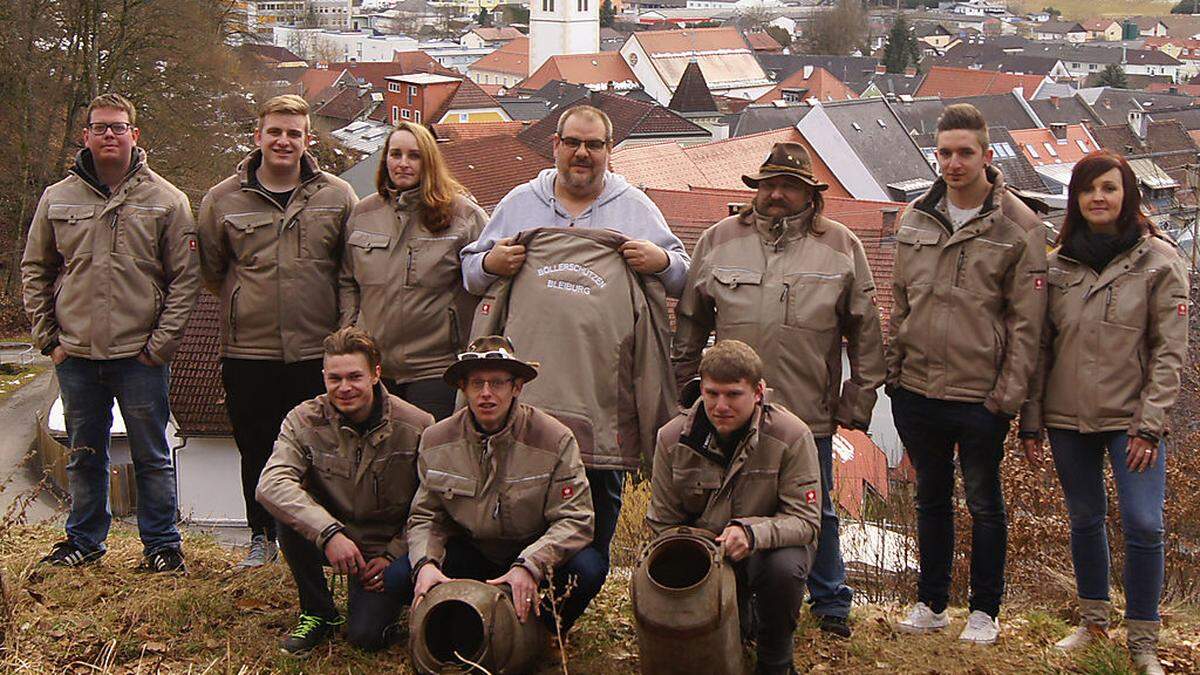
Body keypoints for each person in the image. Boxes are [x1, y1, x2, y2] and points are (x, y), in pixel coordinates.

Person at [458, 105, 689, 588]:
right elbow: (471, 274)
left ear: (609, 152)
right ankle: (512, 596)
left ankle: (565, 605)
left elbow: (684, 276)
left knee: (593, 521)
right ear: (555, 145)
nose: (582, 153)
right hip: (524, 404)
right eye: (573, 143)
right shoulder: (520, 202)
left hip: (602, 402)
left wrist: (660, 258)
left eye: (594, 145)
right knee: (519, 503)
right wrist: (493, 261)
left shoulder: (635, 207)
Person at [672, 142, 885, 638]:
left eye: (789, 186)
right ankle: (729, 597)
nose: (776, 195)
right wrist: (686, 394)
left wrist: (857, 401)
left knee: (819, 507)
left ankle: (831, 604)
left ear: (811, 194)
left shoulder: (841, 246)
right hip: (730, 410)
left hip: (807, 409)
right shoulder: (719, 240)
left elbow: (867, 333)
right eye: (768, 185)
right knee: (727, 505)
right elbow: (689, 322)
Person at [1018, 151, 1188, 675]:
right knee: (1085, 517)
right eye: (1089, 190)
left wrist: (1151, 424)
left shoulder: (1159, 261)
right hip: (1068, 417)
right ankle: (1093, 620)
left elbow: (1169, 352)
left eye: (1109, 189)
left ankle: (1142, 638)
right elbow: (1038, 347)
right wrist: (1031, 418)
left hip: (1132, 419)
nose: (1098, 198)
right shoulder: (1056, 263)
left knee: (1142, 522)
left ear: (1127, 195)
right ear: (1076, 199)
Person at [887, 103, 1048, 644]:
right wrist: (895, 372)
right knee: (929, 497)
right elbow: (901, 301)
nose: (953, 164)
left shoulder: (1020, 226)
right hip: (917, 389)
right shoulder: (916, 217)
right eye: (945, 153)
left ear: (987, 154)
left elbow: (1028, 324)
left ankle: (984, 611)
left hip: (982, 393)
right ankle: (931, 603)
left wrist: (1008, 397)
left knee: (983, 503)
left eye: (965, 153)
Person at [22, 93, 200, 572]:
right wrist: (49, 341)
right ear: (86, 135)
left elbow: (185, 279)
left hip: (139, 355)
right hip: (77, 354)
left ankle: (162, 546)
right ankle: (83, 542)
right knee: (84, 455)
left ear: (134, 135)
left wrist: (160, 346)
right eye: (100, 127)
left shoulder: (167, 200)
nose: (109, 135)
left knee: (153, 454)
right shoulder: (58, 198)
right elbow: (35, 269)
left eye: (118, 127)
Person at [198, 94, 358, 568]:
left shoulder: (336, 195)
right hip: (250, 349)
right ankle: (261, 536)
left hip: (317, 347)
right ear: (258, 137)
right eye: (275, 132)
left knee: (324, 446)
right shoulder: (222, 198)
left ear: (308, 138)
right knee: (256, 444)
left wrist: (343, 333)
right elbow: (211, 269)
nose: (284, 141)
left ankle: (319, 536)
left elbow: (349, 271)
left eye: (293, 133)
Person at [256, 326, 433, 657]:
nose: (345, 387)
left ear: (376, 374)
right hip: (336, 537)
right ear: (323, 377)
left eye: (355, 376)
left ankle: (386, 600)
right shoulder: (302, 421)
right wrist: (328, 533)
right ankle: (318, 611)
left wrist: (394, 555)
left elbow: (432, 504)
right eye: (334, 378)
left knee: (366, 637)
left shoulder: (418, 426)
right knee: (288, 511)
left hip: (391, 545)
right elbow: (271, 484)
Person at [407, 336, 602, 634]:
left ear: (517, 387)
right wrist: (425, 564)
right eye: (477, 383)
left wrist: (530, 565)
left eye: (497, 383)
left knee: (589, 568)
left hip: (533, 552)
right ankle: (465, 619)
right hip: (473, 551)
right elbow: (426, 516)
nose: (486, 393)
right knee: (399, 578)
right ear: (463, 387)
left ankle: (541, 631)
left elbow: (575, 519)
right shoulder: (436, 441)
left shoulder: (555, 439)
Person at [649, 340, 821, 675]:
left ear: (758, 392)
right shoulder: (672, 439)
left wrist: (752, 534)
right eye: (711, 394)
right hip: (704, 553)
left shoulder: (792, 436)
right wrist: (702, 547)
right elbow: (661, 523)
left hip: (767, 549)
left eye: (732, 395)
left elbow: (806, 522)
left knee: (784, 569)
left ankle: (775, 659)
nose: (720, 406)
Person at [339, 122, 486, 421]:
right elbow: (346, 281)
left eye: (414, 156)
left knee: (428, 454)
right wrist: (350, 329)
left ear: (429, 161)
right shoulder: (364, 214)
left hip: (435, 368)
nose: (403, 163)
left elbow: (488, 281)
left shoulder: (463, 216)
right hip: (375, 367)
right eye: (395, 154)